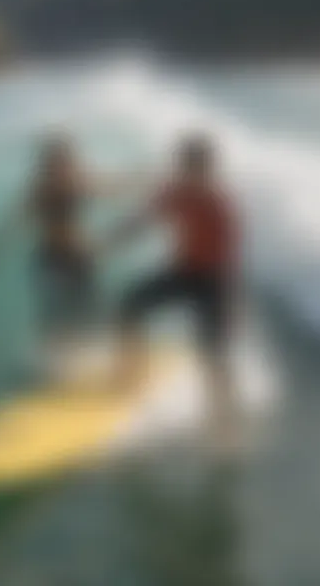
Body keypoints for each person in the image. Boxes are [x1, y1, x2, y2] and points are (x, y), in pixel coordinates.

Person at [106, 134, 240, 452]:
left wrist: (232, 306)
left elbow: (229, 262)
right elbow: (144, 218)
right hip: (184, 271)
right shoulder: (176, 192)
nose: (192, 176)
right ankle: (133, 374)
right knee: (129, 304)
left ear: (209, 169)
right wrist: (111, 239)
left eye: (199, 169)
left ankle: (225, 422)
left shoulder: (220, 205)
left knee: (212, 355)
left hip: (213, 281)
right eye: (188, 168)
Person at [0, 133, 137, 379]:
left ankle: (113, 362)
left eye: (65, 159)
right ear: (47, 162)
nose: (61, 165)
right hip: (50, 259)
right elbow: (14, 219)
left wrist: (137, 180)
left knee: (95, 309)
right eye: (55, 161)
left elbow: (111, 188)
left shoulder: (78, 180)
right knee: (55, 312)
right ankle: (53, 364)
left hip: (79, 259)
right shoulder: (40, 188)